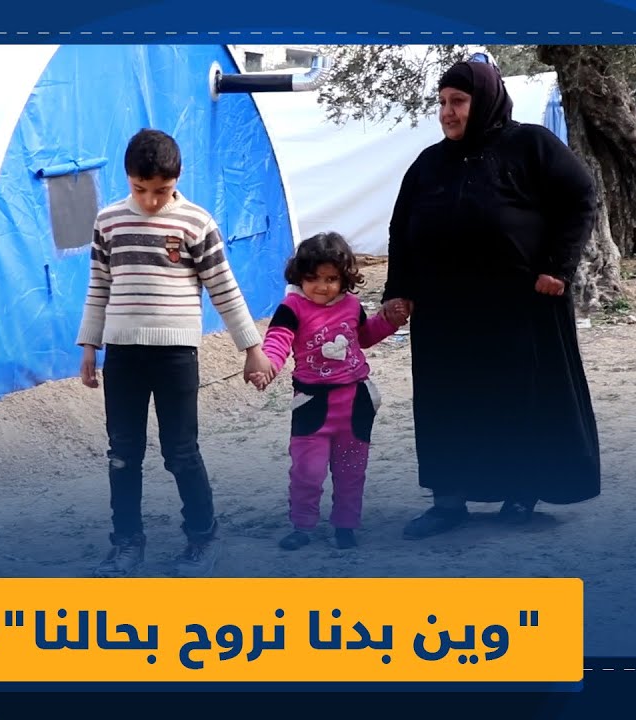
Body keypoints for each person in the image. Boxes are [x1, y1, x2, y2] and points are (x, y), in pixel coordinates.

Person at [381, 60, 602, 539]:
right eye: (442, 102)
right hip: (444, 311)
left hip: (516, 305)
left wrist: (557, 267)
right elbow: (401, 228)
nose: (447, 112)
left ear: (484, 101)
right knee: (447, 402)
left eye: (458, 101)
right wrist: (398, 290)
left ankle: (521, 491)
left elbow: (581, 196)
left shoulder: (530, 145)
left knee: (514, 397)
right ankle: (448, 501)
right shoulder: (428, 164)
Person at [77, 128, 275, 577]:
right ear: (127, 178)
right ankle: (127, 543)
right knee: (122, 453)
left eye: (161, 190)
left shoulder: (196, 222)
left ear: (178, 178)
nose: (150, 201)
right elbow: (98, 286)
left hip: (175, 356)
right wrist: (90, 345)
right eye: (140, 189)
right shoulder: (108, 221)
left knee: (181, 452)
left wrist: (252, 348)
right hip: (123, 356)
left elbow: (223, 287)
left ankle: (203, 537)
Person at [247, 232, 406, 550]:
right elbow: (278, 341)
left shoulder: (352, 305)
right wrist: (267, 366)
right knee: (307, 472)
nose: (322, 286)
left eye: (331, 279)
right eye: (313, 278)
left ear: (344, 278)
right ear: (300, 277)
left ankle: (346, 525)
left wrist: (389, 321)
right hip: (312, 405)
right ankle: (302, 526)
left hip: (355, 403)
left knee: (351, 472)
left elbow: (364, 337)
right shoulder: (291, 307)